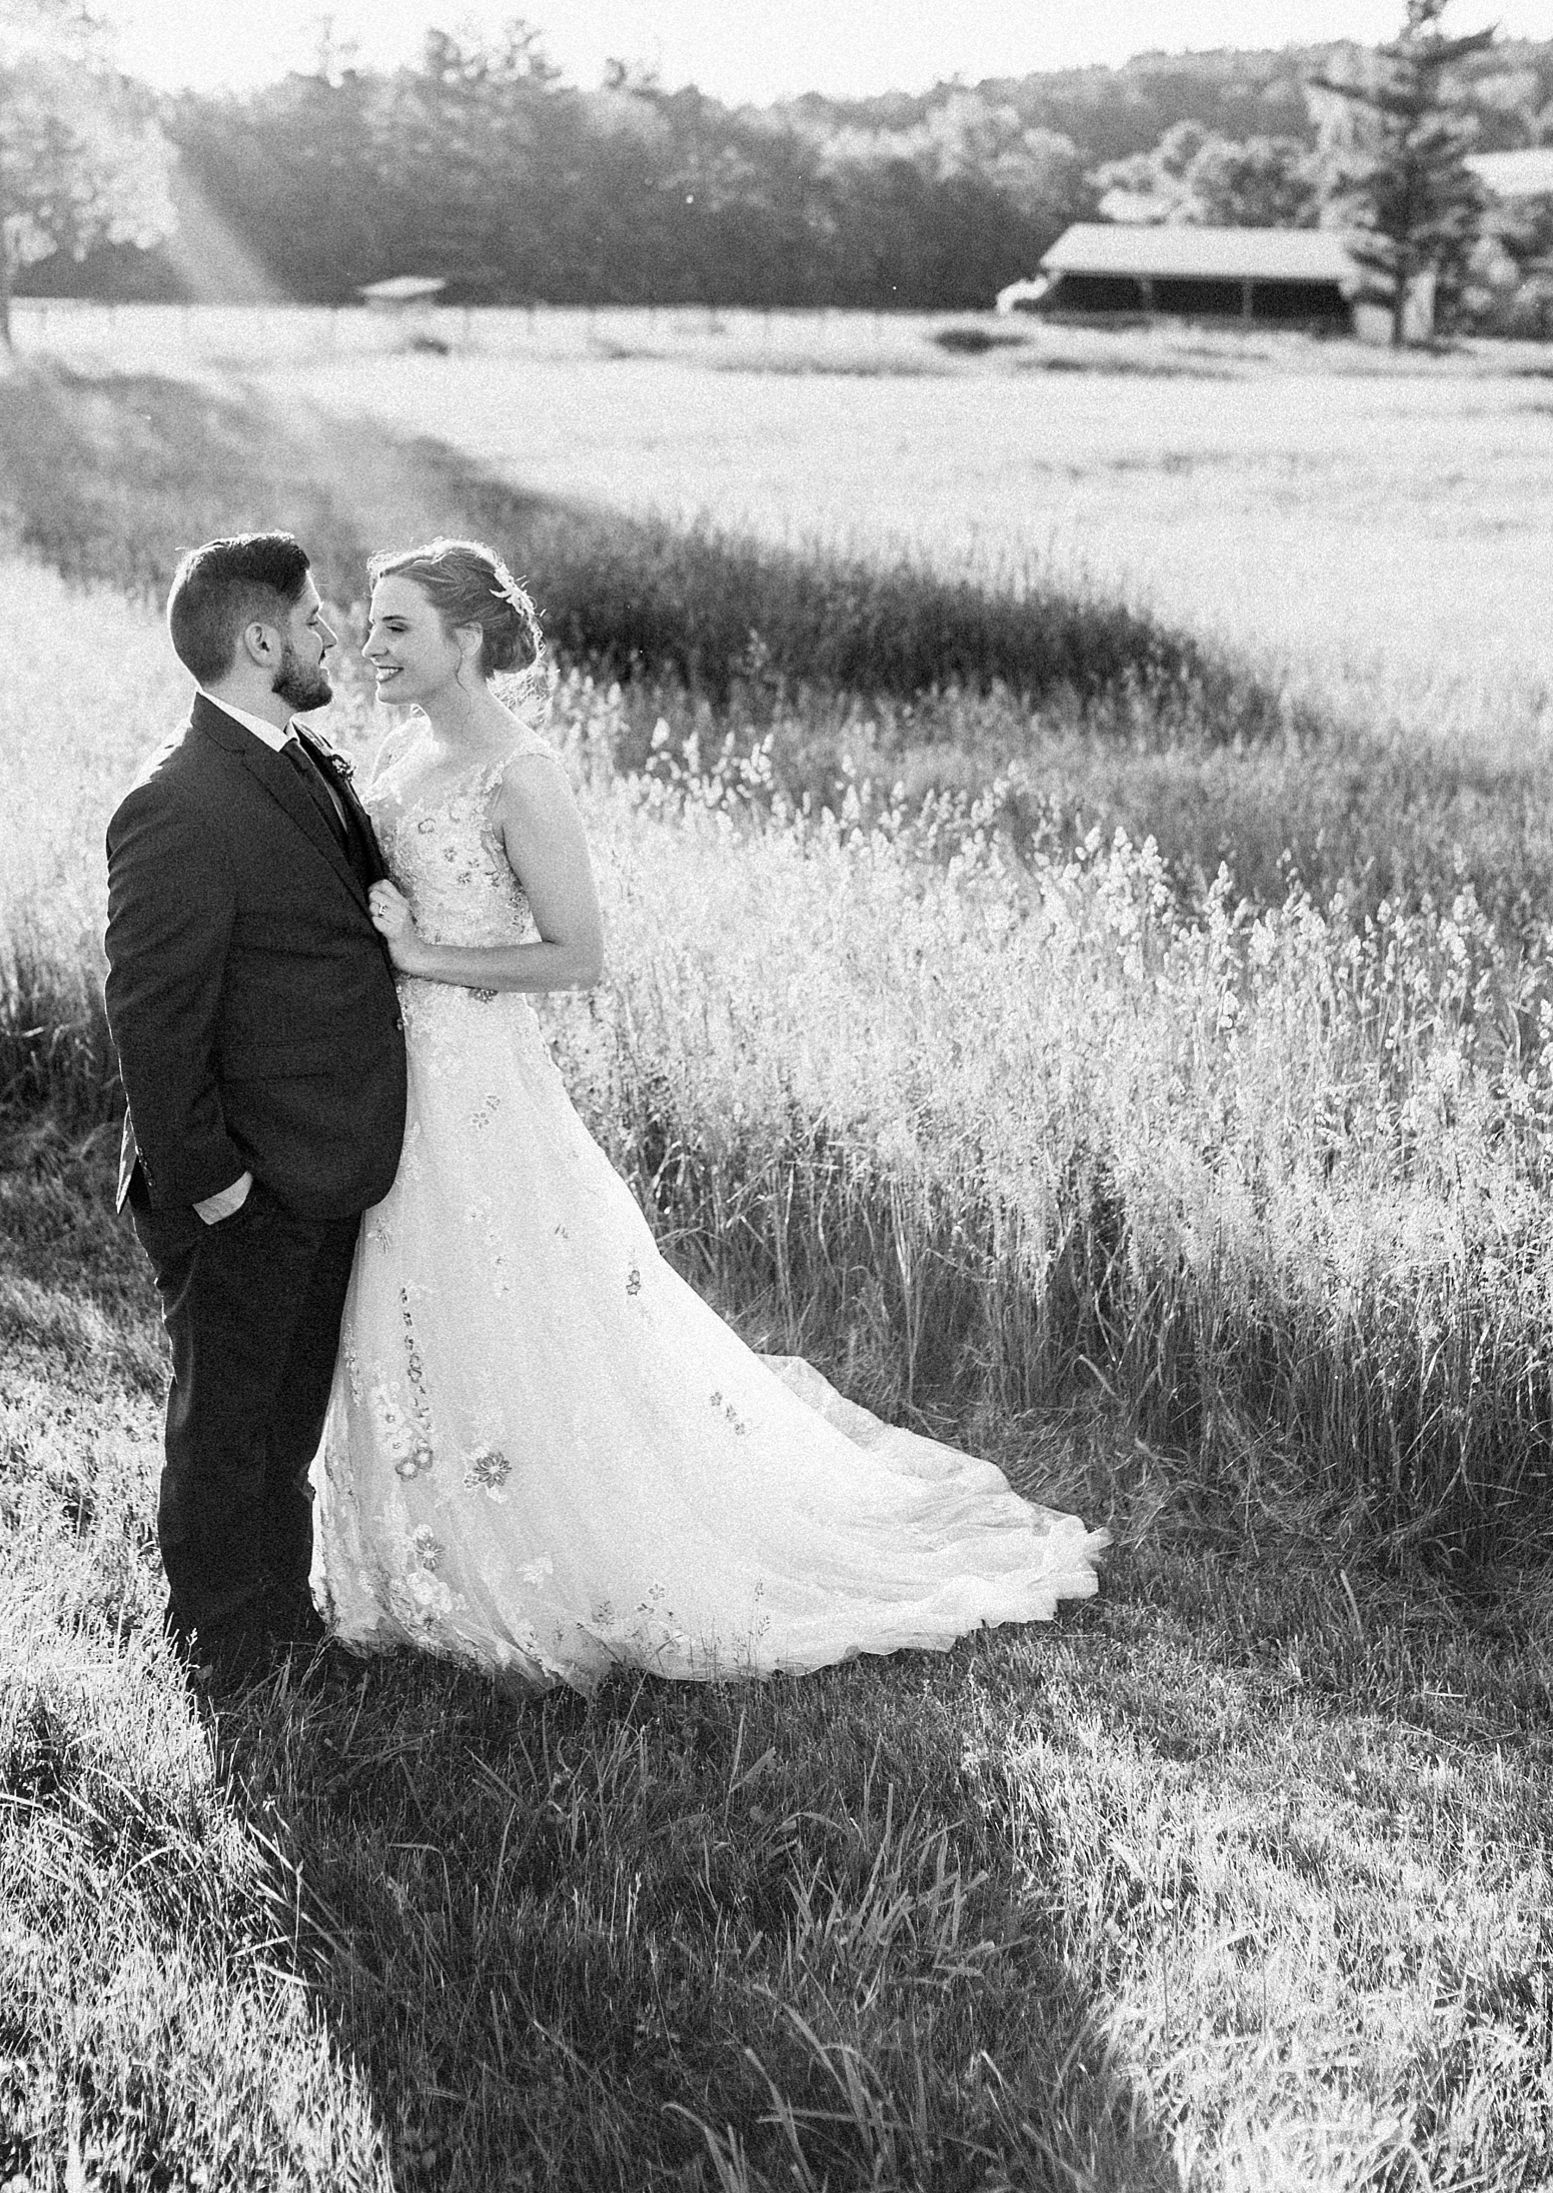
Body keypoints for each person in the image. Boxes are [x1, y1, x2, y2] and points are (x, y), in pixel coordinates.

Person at [314, 537, 1102, 1686]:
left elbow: (577, 954)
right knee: (403, 1294)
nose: (370, 644)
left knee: (505, 1298)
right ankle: (411, 1553)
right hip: (396, 1069)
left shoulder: (519, 773)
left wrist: (417, 951)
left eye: (395, 626)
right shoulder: (402, 747)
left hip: (480, 1077)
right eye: (371, 624)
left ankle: (546, 1551)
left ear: (465, 639)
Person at [103, 532, 406, 1691]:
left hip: (320, 1161)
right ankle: (220, 1647)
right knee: (225, 1420)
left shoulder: (299, 756)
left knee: (281, 1421)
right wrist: (212, 1178)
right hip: (240, 1178)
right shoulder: (176, 802)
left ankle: (278, 1617)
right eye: (316, 612)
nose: (334, 630)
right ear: (260, 639)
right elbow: (152, 1014)